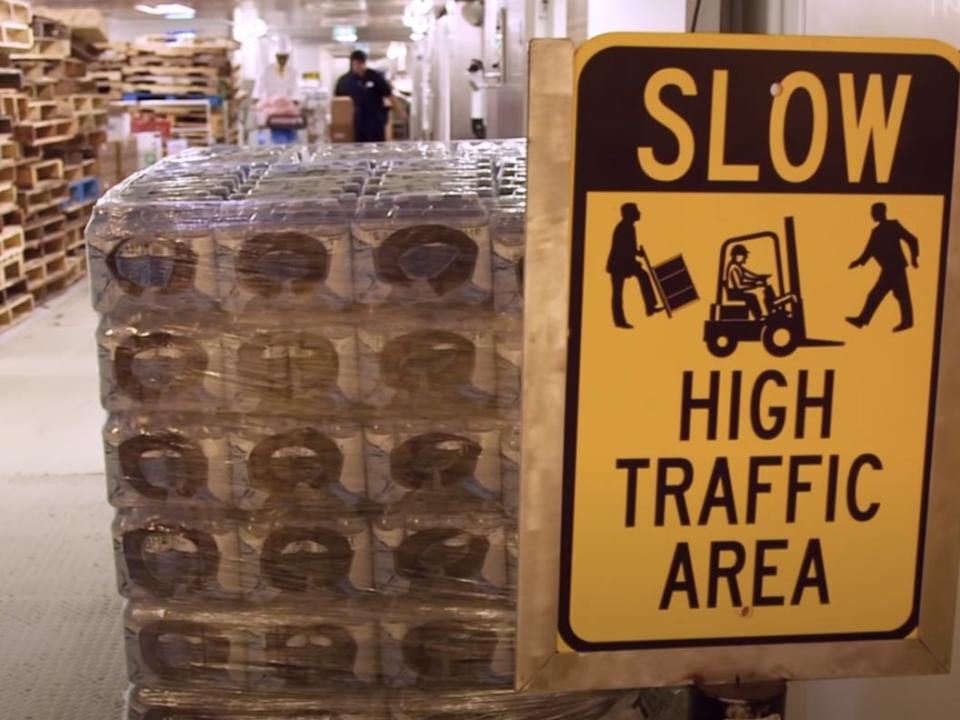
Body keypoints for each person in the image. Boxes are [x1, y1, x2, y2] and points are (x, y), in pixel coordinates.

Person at [847, 202, 919, 332]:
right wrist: (858, 262)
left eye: (873, 212)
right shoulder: (876, 232)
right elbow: (869, 251)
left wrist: (914, 258)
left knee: (897, 295)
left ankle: (906, 322)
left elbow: (912, 239)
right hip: (888, 269)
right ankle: (863, 320)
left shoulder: (893, 225)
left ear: (880, 213)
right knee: (883, 294)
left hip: (896, 268)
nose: (872, 215)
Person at [607, 203, 660, 329]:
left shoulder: (629, 227)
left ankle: (650, 307)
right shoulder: (625, 227)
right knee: (618, 293)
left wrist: (637, 253)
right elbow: (623, 251)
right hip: (618, 265)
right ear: (630, 214)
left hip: (624, 263)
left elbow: (628, 248)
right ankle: (620, 321)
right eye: (637, 211)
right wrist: (635, 260)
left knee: (643, 276)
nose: (639, 213)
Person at [335, 49, 405, 143]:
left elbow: (389, 94)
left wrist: (400, 111)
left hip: (375, 120)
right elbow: (339, 102)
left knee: (378, 146)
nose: (358, 66)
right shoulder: (346, 81)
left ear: (364, 63)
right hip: (358, 122)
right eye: (355, 64)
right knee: (360, 148)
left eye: (360, 63)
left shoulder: (375, 77)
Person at [725, 244, 770, 319]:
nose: (746, 257)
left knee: (752, 296)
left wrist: (759, 277)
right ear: (737, 255)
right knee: (751, 297)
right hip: (734, 293)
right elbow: (739, 286)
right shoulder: (733, 268)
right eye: (744, 255)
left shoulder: (738, 266)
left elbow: (748, 275)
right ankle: (758, 317)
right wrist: (755, 285)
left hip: (736, 292)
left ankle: (759, 316)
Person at [467, 59, 487, 139]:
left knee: (478, 117)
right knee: (477, 116)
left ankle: (479, 133)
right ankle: (478, 133)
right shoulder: (475, 75)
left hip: (479, 104)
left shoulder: (478, 74)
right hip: (477, 103)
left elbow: (473, 85)